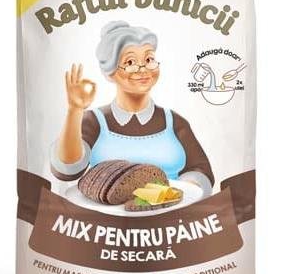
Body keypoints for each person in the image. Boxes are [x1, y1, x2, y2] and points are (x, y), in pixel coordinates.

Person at [50, 21, 214, 196]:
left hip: (170, 208)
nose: (143, 70)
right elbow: (67, 169)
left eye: (149, 60)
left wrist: (181, 193)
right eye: (130, 62)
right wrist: (75, 110)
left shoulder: (175, 122)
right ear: (110, 72)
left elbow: (200, 169)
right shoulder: (93, 121)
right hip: (103, 211)